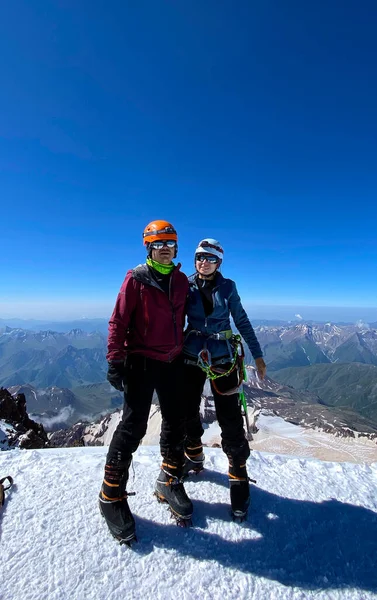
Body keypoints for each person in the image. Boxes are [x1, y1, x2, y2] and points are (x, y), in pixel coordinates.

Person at [99, 220, 193, 545]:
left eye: (169, 244)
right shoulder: (135, 279)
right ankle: (110, 495)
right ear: (149, 248)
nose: (165, 249)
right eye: (158, 244)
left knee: (176, 419)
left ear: (176, 248)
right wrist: (115, 359)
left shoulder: (181, 281)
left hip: (172, 360)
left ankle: (169, 477)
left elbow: (192, 318)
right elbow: (118, 320)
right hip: (140, 361)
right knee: (133, 426)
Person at [182, 238, 266, 521]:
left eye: (209, 258)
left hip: (223, 357)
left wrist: (258, 355)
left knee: (229, 417)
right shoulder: (186, 285)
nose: (203, 262)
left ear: (219, 262)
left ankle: (238, 473)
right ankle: (193, 452)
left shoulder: (228, 287)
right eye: (199, 257)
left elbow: (241, 321)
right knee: (186, 409)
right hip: (192, 354)